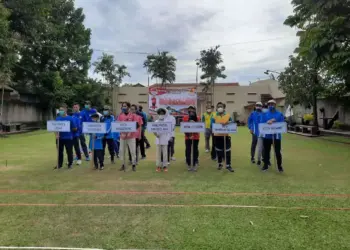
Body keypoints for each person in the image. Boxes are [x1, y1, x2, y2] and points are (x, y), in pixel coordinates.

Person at [261, 99, 284, 172]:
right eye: (269, 104)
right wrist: (267, 122)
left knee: (277, 152)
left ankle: (279, 166)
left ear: (275, 105)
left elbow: (282, 124)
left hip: (276, 136)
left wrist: (275, 121)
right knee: (266, 151)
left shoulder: (279, 114)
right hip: (267, 136)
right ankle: (265, 165)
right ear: (268, 105)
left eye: (272, 104)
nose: (271, 106)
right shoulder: (265, 114)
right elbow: (262, 123)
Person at [211, 102, 234, 172]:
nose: (220, 108)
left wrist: (228, 123)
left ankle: (228, 165)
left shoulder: (227, 115)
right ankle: (220, 164)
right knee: (219, 151)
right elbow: (212, 125)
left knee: (227, 150)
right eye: (218, 106)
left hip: (226, 136)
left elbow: (232, 122)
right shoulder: (214, 116)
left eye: (221, 106)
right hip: (217, 136)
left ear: (224, 108)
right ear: (216, 108)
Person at [117, 102, 139, 171]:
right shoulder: (120, 115)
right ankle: (123, 164)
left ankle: (133, 165)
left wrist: (130, 132)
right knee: (122, 151)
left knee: (132, 151)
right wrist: (121, 133)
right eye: (123, 106)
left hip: (131, 137)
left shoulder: (133, 115)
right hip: (122, 137)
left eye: (125, 106)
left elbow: (136, 125)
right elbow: (117, 126)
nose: (123, 107)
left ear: (128, 107)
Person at [54, 104, 77, 169]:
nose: (60, 111)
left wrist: (68, 128)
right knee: (59, 152)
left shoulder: (70, 118)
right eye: (60, 110)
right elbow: (55, 128)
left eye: (62, 110)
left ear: (65, 110)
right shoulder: (58, 118)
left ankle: (70, 164)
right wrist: (56, 135)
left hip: (68, 138)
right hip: (59, 138)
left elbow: (75, 128)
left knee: (69, 152)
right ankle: (59, 164)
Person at [183, 105, 200, 171]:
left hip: (195, 137)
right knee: (188, 150)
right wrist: (189, 136)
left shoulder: (198, 118)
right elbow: (184, 128)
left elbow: (199, 127)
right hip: (188, 137)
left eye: (192, 109)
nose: (191, 111)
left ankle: (195, 162)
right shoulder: (185, 117)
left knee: (195, 150)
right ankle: (189, 163)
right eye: (189, 110)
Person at [154, 108, 171, 172]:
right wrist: (156, 134)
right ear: (158, 114)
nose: (161, 115)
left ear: (164, 114)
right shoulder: (156, 122)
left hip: (165, 139)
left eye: (162, 113)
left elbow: (169, 131)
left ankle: (165, 166)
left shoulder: (167, 122)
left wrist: (168, 138)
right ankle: (158, 166)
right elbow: (153, 130)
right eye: (160, 113)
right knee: (158, 154)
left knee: (165, 153)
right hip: (158, 139)